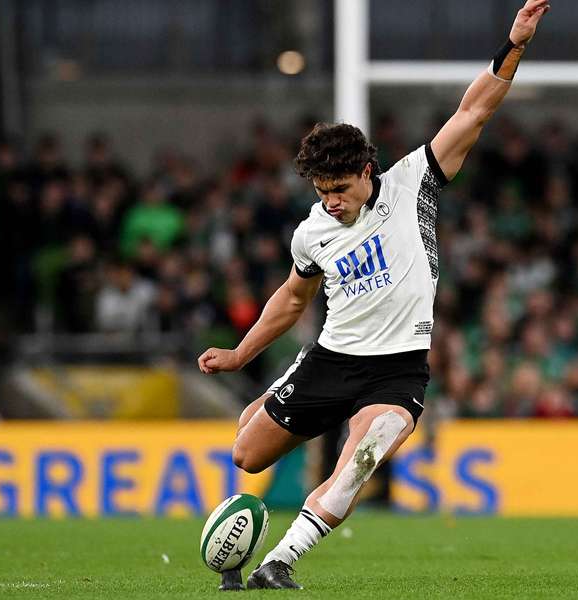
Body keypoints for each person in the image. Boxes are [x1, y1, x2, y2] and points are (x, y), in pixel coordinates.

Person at [197, 0, 550, 590]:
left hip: (397, 369)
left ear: (366, 170)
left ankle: (278, 561)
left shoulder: (414, 183)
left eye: (339, 188)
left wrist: (514, 43)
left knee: (359, 459)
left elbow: (474, 110)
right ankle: (266, 420)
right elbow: (292, 299)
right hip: (330, 360)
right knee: (247, 455)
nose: (331, 201)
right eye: (321, 191)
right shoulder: (312, 232)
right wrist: (238, 354)